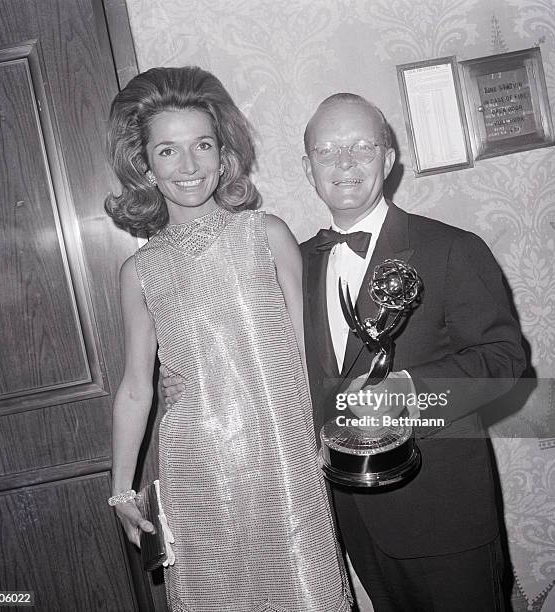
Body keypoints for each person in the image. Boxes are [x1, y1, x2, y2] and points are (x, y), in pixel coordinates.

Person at [164, 92, 526, 611]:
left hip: (445, 515)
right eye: (327, 151)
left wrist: (407, 392)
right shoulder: (293, 264)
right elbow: (260, 360)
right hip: (348, 512)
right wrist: (190, 381)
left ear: (389, 156)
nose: (345, 162)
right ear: (308, 168)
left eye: (361, 146)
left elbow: (505, 362)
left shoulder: (452, 249)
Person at [105, 67, 351, 612]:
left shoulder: (267, 235)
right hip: (196, 465)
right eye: (168, 151)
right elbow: (135, 388)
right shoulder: (139, 270)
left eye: (203, 145)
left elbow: (316, 354)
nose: (189, 166)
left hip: (284, 455)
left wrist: (328, 432)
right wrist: (122, 489)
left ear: (224, 154)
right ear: (144, 164)